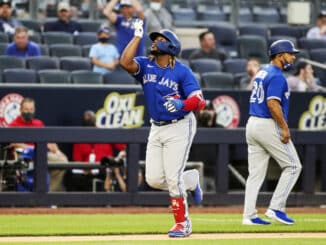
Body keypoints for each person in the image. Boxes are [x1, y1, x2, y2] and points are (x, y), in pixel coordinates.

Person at [120, 19, 205, 238]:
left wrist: (182, 104)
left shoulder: (182, 71)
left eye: (161, 39)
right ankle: (192, 180)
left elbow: (199, 101)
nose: (156, 42)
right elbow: (125, 62)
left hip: (180, 125)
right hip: (156, 127)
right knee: (154, 179)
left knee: (173, 178)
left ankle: (183, 223)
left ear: (171, 46)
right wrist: (137, 36)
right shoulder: (146, 64)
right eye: (155, 39)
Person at [242, 40, 302, 225]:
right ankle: (276, 207)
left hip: (252, 123)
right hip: (267, 124)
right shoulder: (276, 75)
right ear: (279, 55)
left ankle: (249, 216)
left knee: (255, 174)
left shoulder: (262, 71)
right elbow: (272, 103)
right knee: (293, 166)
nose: (292, 57)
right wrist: (284, 127)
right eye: (290, 53)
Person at [8, 97, 68, 192]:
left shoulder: (38, 123)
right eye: (26, 109)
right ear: (20, 110)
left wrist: (57, 151)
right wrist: (33, 147)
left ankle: (48, 193)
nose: (29, 112)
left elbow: (48, 141)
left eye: (31, 109)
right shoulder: (13, 125)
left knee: (63, 161)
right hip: (24, 157)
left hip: (41, 154)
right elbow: (15, 144)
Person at [64, 110, 127, 192]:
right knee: (71, 176)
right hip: (87, 172)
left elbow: (124, 147)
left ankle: (105, 201)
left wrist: (121, 154)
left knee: (108, 171)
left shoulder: (105, 133)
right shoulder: (79, 139)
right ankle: (74, 203)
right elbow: (77, 161)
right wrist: (85, 169)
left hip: (104, 168)